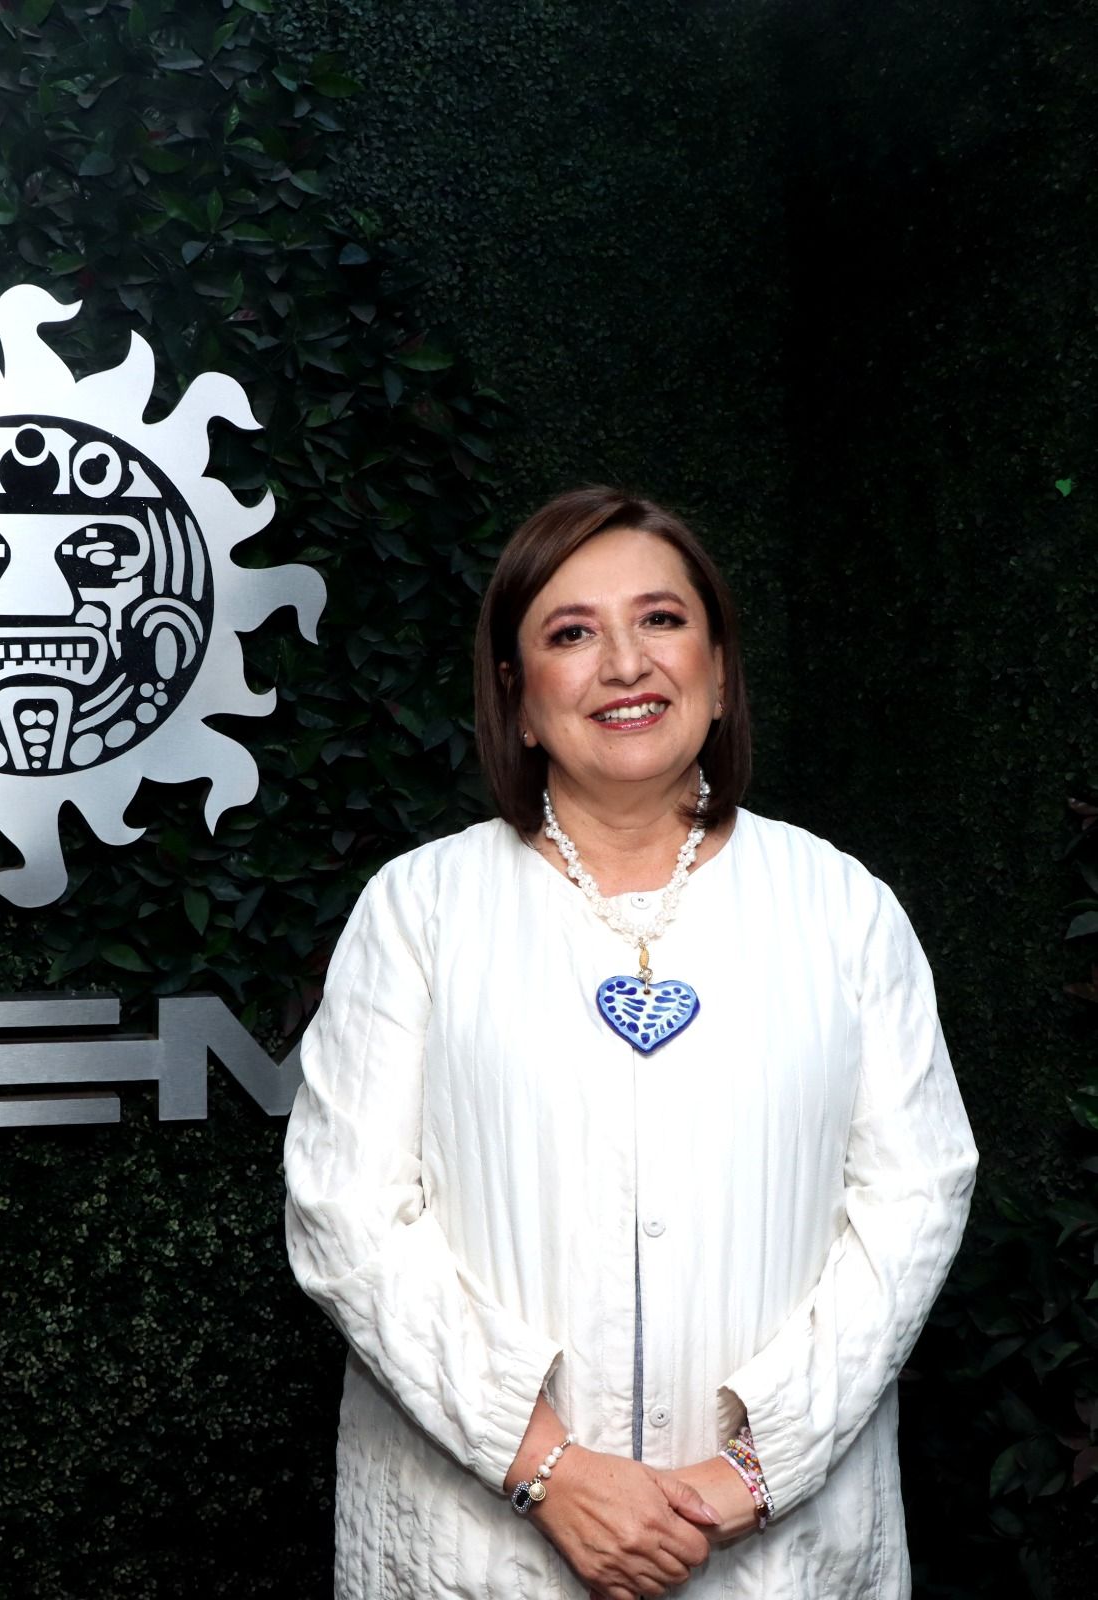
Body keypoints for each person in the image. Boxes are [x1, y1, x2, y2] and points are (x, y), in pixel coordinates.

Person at [283, 486, 978, 1599]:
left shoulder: (842, 906)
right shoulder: (419, 908)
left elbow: (915, 1196)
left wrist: (755, 1470)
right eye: (571, 633)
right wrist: (545, 1468)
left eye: (660, 619)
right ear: (516, 699)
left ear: (719, 670)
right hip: (479, 1552)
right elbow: (343, 1211)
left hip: (777, 1555)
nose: (624, 663)